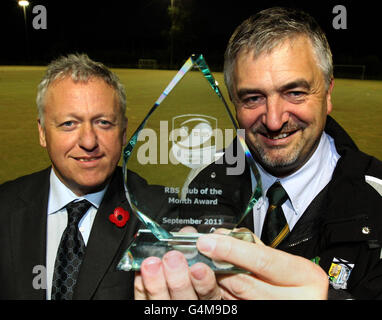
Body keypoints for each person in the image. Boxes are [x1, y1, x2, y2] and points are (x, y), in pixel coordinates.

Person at [135, 7, 382, 300]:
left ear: (328, 93)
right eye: (253, 98)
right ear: (233, 103)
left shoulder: (376, 197)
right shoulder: (202, 184)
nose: (274, 120)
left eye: (295, 93)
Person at [0, 53, 141, 299]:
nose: (88, 141)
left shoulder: (155, 212)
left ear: (123, 132)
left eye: (104, 122)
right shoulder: (4, 207)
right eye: (69, 124)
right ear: (42, 133)